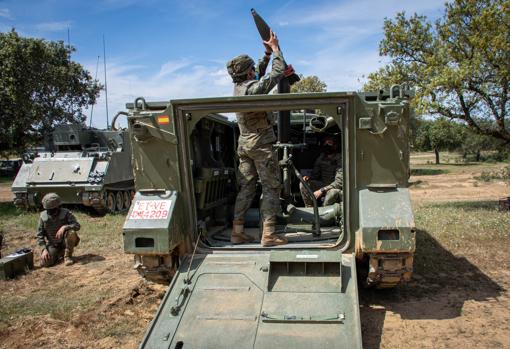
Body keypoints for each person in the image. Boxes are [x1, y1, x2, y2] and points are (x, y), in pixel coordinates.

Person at [226, 30, 293, 247]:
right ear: (247, 74)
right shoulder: (253, 90)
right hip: (261, 144)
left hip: (244, 144)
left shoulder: (239, 87)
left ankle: (237, 232)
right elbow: (275, 74)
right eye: (252, 70)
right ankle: (270, 234)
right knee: (271, 186)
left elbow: (259, 76)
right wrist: (276, 50)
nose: (255, 72)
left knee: (246, 187)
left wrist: (265, 55)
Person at [37, 193, 81, 267]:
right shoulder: (43, 216)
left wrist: (65, 227)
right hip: (52, 243)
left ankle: (67, 256)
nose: (49, 211)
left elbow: (77, 226)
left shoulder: (66, 213)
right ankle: (58, 253)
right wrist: (44, 249)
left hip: (65, 241)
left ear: (57, 206)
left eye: (52, 209)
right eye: (48, 209)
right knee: (45, 263)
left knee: (71, 232)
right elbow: (39, 235)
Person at [300, 136, 343, 207]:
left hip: (335, 187)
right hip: (323, 184)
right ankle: (310, 208)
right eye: (325, 143)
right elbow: (315, 175)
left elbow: (339, 183)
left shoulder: (340, 158)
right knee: (303, 184)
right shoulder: (321, 157)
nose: (326, 145)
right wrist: (308, 178)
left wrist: (321, 190)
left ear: (335, 146)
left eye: (329, 143)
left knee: (333, 192)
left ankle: (324, 211)